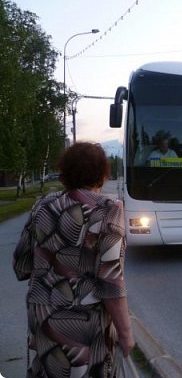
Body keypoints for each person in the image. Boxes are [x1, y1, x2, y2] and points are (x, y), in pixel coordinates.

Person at [13, 142, 135, 377]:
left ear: (65, 172)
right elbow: (111, 281)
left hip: (43, 315)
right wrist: (126, 331)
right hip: (84, 323)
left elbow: (21, 265)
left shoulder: (43, 205)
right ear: (102, 174)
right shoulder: (108, 209)